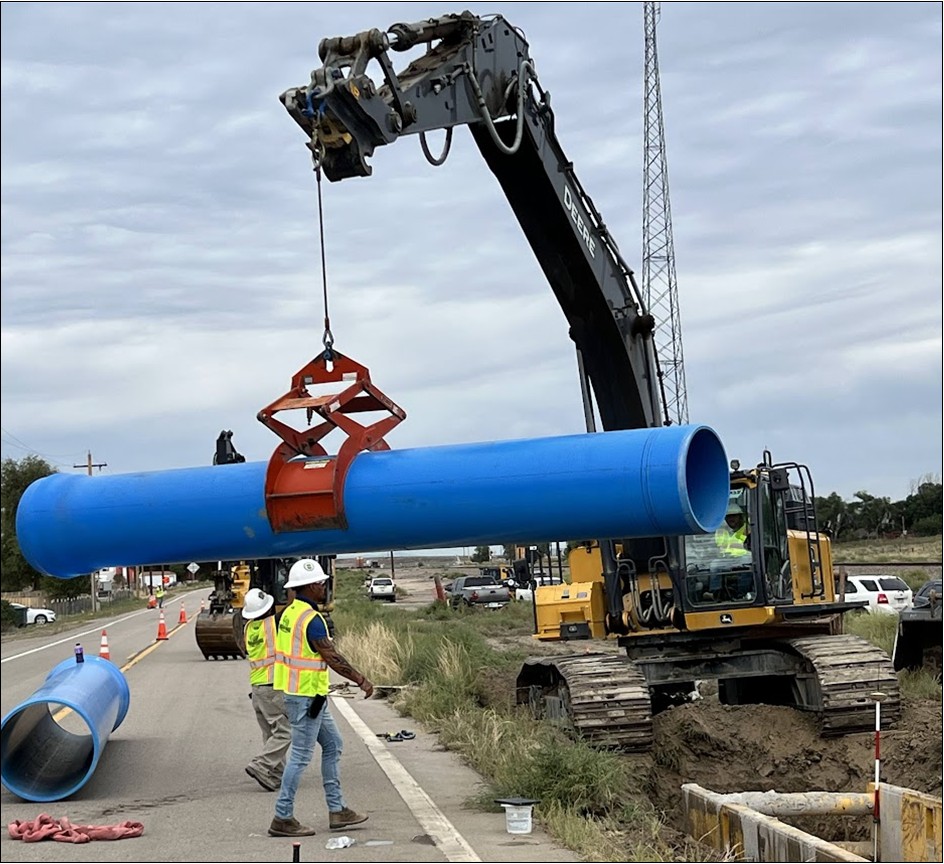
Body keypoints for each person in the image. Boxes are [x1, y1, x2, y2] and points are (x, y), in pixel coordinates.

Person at [269, 558, 374, 838]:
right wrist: (361, 679)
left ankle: (337, 809)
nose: (324, 587)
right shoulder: (311, 620)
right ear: (310, 586)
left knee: (333, 744)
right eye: (320, 583)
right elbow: (332, 657)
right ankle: (282, 816)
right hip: (305, 697)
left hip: (307, 695)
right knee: (300, 757)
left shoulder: (289, 613)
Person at [242, 588, 292, 792]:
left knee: (271, 733)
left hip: (257, 687)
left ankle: (275, 774)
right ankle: (261, 765)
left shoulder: (248, 627)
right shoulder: (272, 624)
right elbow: (291, 608)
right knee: (286, 732)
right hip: (272, 686)